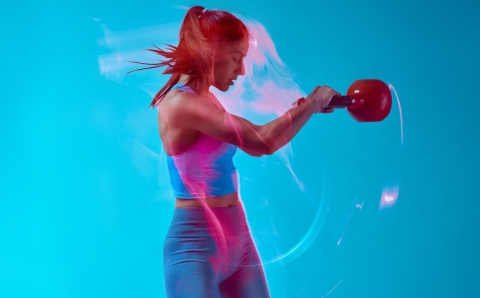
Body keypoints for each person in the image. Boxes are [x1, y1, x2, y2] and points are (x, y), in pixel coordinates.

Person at [128, 6, 340, 298]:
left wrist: (300, 111)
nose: (241, 70)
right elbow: (261, 142)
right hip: (196, 248)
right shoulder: (180, 104)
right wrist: (311, 106)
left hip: (238, 240)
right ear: (213, 52)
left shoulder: (209, 100)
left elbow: (255, 140)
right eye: (237, 58)